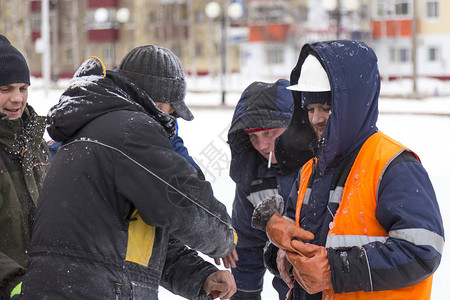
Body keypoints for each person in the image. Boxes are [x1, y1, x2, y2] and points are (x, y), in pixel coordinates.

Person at [21, 46, 237, 299]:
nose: (171, 121)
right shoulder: (131, 130)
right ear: (157, 102)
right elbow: (181, 201)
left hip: (69, 286)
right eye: (171, 111)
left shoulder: (96, 127)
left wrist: (199, 276)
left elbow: (132, 240)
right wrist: (224, 236)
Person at [261, 40, 444, 299]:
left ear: (354, 107)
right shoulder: (310, 170)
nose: (316, 118)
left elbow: (422, 251)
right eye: (310, 109)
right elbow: (300, 230)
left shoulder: (393, 165)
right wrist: (280, 251)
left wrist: (336, 270)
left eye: (326, 108)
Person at [227, 79, 310, 300]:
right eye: (253, 136)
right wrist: (245, 294)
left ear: (294, 124)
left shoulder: (323, 165)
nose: (261, 145)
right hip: (289, 291)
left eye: (269, 133)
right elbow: (247, 244)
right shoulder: (252, 175)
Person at [0, 35, 51, 299]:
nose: (17, 98)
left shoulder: (36, 143)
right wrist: (14, 284)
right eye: (5, 89)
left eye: (23, 88)